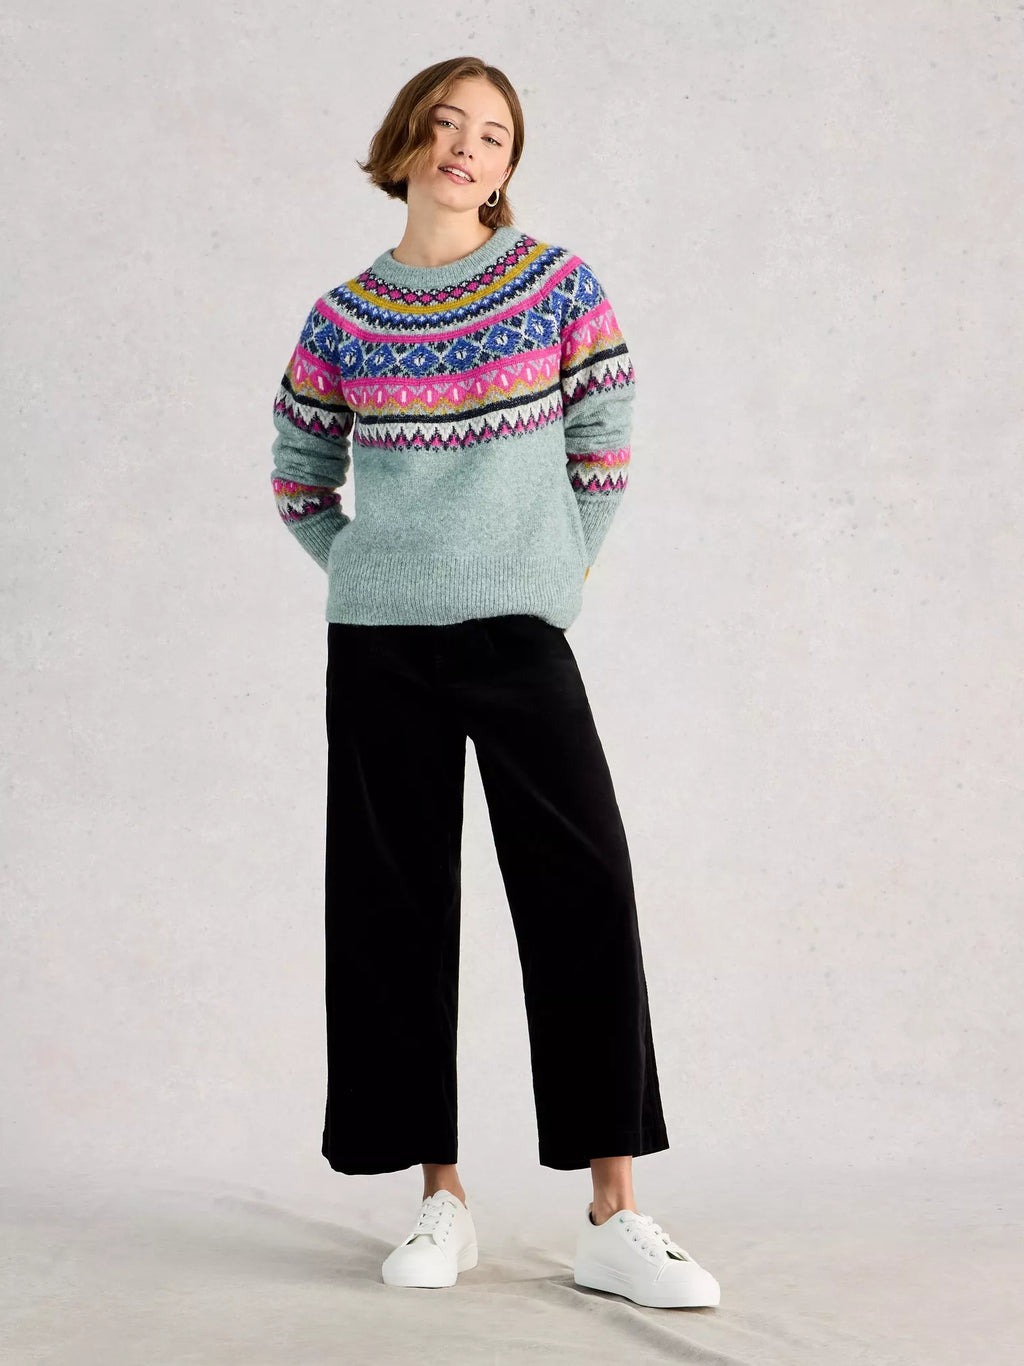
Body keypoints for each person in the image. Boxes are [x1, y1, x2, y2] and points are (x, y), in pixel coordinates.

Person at [269, 55, 720, 1310]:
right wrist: (365, 568)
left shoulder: (555, 285)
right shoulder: (343, 317)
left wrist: (556, 569)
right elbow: (299, 471)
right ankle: (441, 1199)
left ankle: (614, 1210)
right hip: (380, 642)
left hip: (520, 631)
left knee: (584, 888)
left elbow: (603, 439)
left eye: (495, 135)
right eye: (448, 124)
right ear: (406, 140)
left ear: (508, 166)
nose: (468, 147)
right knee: (394, 909)